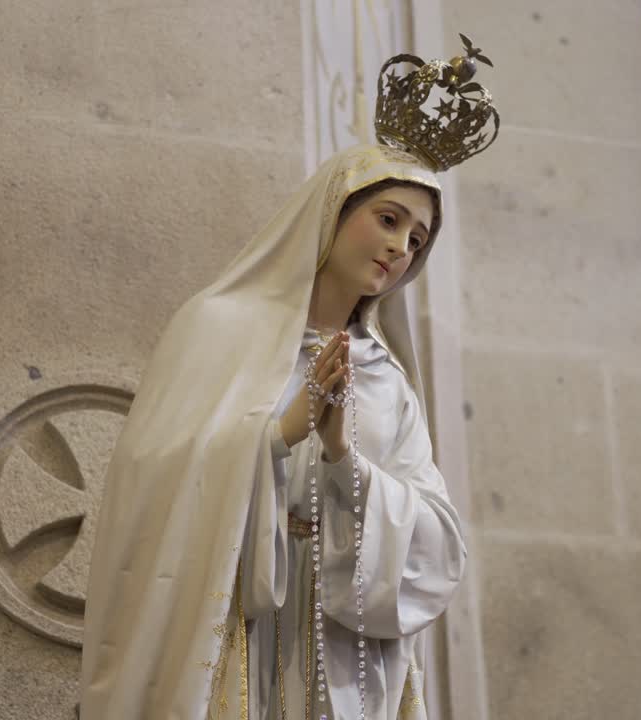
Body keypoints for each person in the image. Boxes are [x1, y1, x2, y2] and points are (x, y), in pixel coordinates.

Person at [80, 37, 499, 720]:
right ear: (332, 211)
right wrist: (279, 435)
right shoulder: (218, 325)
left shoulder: (387, 382)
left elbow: (438, 545)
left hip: (343, 665)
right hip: (233, 640)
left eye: (418, 240)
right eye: (388, 219)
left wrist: (342, 458)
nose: (400, 247)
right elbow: (147, 484)